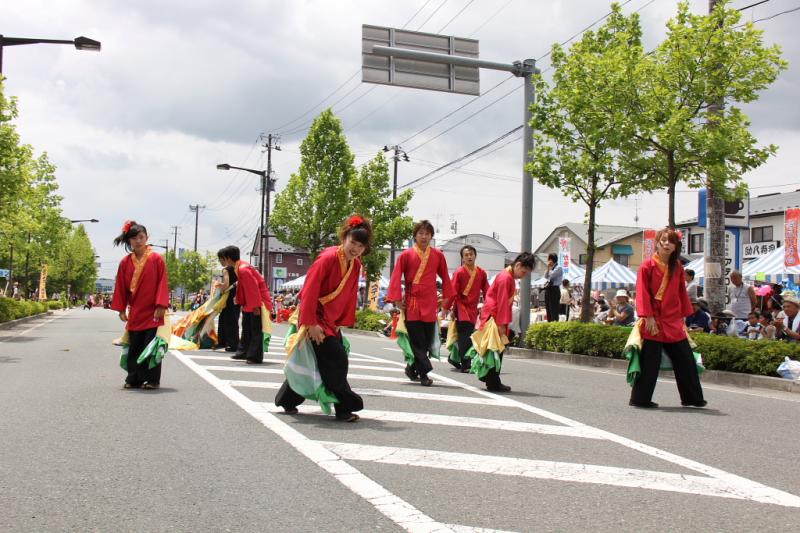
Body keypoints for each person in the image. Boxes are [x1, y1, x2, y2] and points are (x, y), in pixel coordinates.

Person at [275, 215, 373, 422]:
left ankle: (287, 399)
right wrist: (310, 324)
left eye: (360, 246)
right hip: (314, 318)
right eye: (352, 242)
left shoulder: (355, 265)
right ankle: (345, 407)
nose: (355, 248)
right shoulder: (328, 258)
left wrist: (338, 324)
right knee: (336, 360)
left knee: (316, 362)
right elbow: (310, 290)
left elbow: (349, 295)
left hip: (330, 322)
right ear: (344, 238)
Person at [630, 227, 706, 408]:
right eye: (663, 240)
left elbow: (681, 293)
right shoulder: (647, 266)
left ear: (675, 246)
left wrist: (682, 318)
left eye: (670, 241)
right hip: (653, 319)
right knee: (650, 360)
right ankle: (640, 399)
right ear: (657, 242)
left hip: (672, 319)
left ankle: (692, 398)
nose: (666, 244)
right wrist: (648, 316)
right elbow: (642, 292)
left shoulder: (678, 267)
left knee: (685, 358)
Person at [386, 219, 455, 387]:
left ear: (431, 236)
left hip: (430, 302)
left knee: (425, 341)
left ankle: (412, 368)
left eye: (427, 234)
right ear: (415, 236)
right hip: (412, 302)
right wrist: (396, 298)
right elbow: (396, 276)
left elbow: (445, 276)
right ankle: (424, 374)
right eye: (420, 233)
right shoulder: (406, 255)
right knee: (417, 340)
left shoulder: (438, 255)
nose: (424, 237)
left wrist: (447, 298)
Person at [111, 220, 169, 390]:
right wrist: (121, 309)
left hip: (152, 311)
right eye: (134, 238)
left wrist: (161, 305)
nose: (138, 241)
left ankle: (152, 379)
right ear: (129, 241)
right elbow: (120, 286)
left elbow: (162, 283)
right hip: (136, 310)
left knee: (150, 346)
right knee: (135, 345)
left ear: (146, 237)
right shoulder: (125, 262)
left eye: (141, 237)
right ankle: (133, 377)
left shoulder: (156, 259)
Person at [471, 252, 535, 392]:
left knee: (492, 350)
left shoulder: (506, 276)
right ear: (518, 265)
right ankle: (492, 381)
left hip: (493, 315)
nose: (523, 275)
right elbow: (501, 304)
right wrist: (501, 327)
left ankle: (491, 379)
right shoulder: (506, 278)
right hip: (495, 317)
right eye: (524, 272)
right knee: (495, 350)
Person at [449, 245, 489, 372]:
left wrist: (491, 303)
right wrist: (447, 307)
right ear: (462, 258)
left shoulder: (481, 272)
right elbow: (452, 291)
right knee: (465, 334)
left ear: (475, 256)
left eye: (471, 254)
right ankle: (466, 364)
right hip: (461, 306)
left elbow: (487, 290)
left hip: (473, 308)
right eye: (466, 255)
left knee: (467, 335)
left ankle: (453, 358)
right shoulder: (459, 272)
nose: (469, 257)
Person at [230, 248, 272, 364]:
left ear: (227, 259)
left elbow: (252, 288)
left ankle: (254, 356)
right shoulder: (241, 266)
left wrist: (255, 306)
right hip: (251, 301)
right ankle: (243, 352)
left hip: (257, 301)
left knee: (255, 329)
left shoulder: (243, 269)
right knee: (247, 327)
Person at [215, 246, 241, 353]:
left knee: (227, 320)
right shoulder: (238, 268)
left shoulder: (226, 269)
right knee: (231, 319)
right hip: (237, 296)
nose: (220, 262)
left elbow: (225, 285)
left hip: (228, 297)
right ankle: (226, 342)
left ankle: (230, 344)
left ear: (225, 258)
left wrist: (217, 285)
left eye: (221, 259)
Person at [543, 253, 562, 322]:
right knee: (548, 309)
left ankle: (554, 324)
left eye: (549, 259)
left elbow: (551, 276)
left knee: (554, 309)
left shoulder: (558, 268)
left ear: (551, 259)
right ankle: (549, 323)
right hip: (548, 289)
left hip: (554, 289)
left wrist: (549, 269)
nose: (548, 261)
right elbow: (545, 276)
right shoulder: (550, 268)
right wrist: (548, 268)